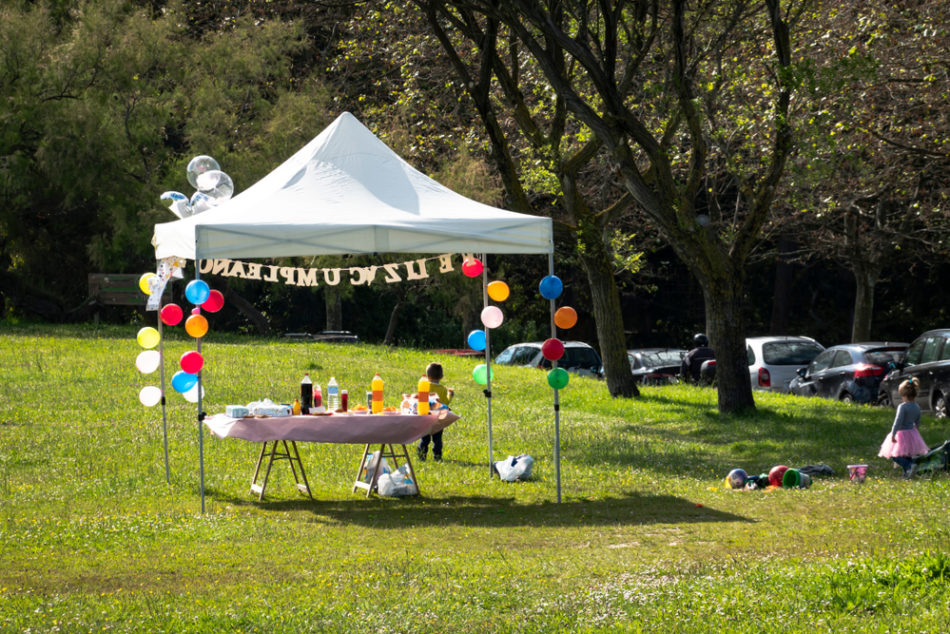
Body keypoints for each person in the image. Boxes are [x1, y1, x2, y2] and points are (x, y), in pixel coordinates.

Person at [878, 378, 930, 479]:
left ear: (903, 394)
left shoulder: (902, 407)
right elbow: (918, 421)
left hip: (901, 433)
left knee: (895, 455)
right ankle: (907, 473)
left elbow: (898, 421)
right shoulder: (917, 407)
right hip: (911, 432)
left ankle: (910, 467)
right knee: (906, 454)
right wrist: (915, 431)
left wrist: (893, 433)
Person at [416, 362, 454, 462]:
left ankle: (421, 455)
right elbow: (445, 403)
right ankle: (437, 456)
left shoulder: (423, 385)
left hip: (425, 416)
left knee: (425, 438)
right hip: (438, 418)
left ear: (427, 376)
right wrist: (450, 395)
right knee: (437, 439)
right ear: (441, 376)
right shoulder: (442, 389)